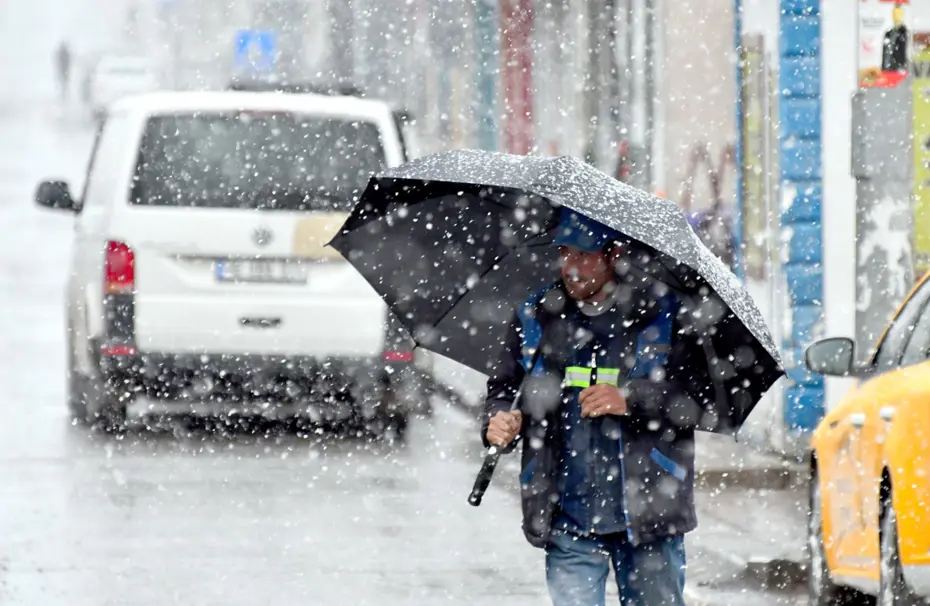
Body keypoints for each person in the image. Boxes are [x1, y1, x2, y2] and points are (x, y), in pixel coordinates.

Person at [481, 208, 713, 606]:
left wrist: (631, 400)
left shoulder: (663, 314)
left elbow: (696, 400)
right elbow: (502, 390)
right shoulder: (535, 315)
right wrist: (497, 421)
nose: (572, 268)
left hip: (648, 514)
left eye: (585, 255)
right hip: (566, 515)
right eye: (565, 253)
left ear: (614, 254)